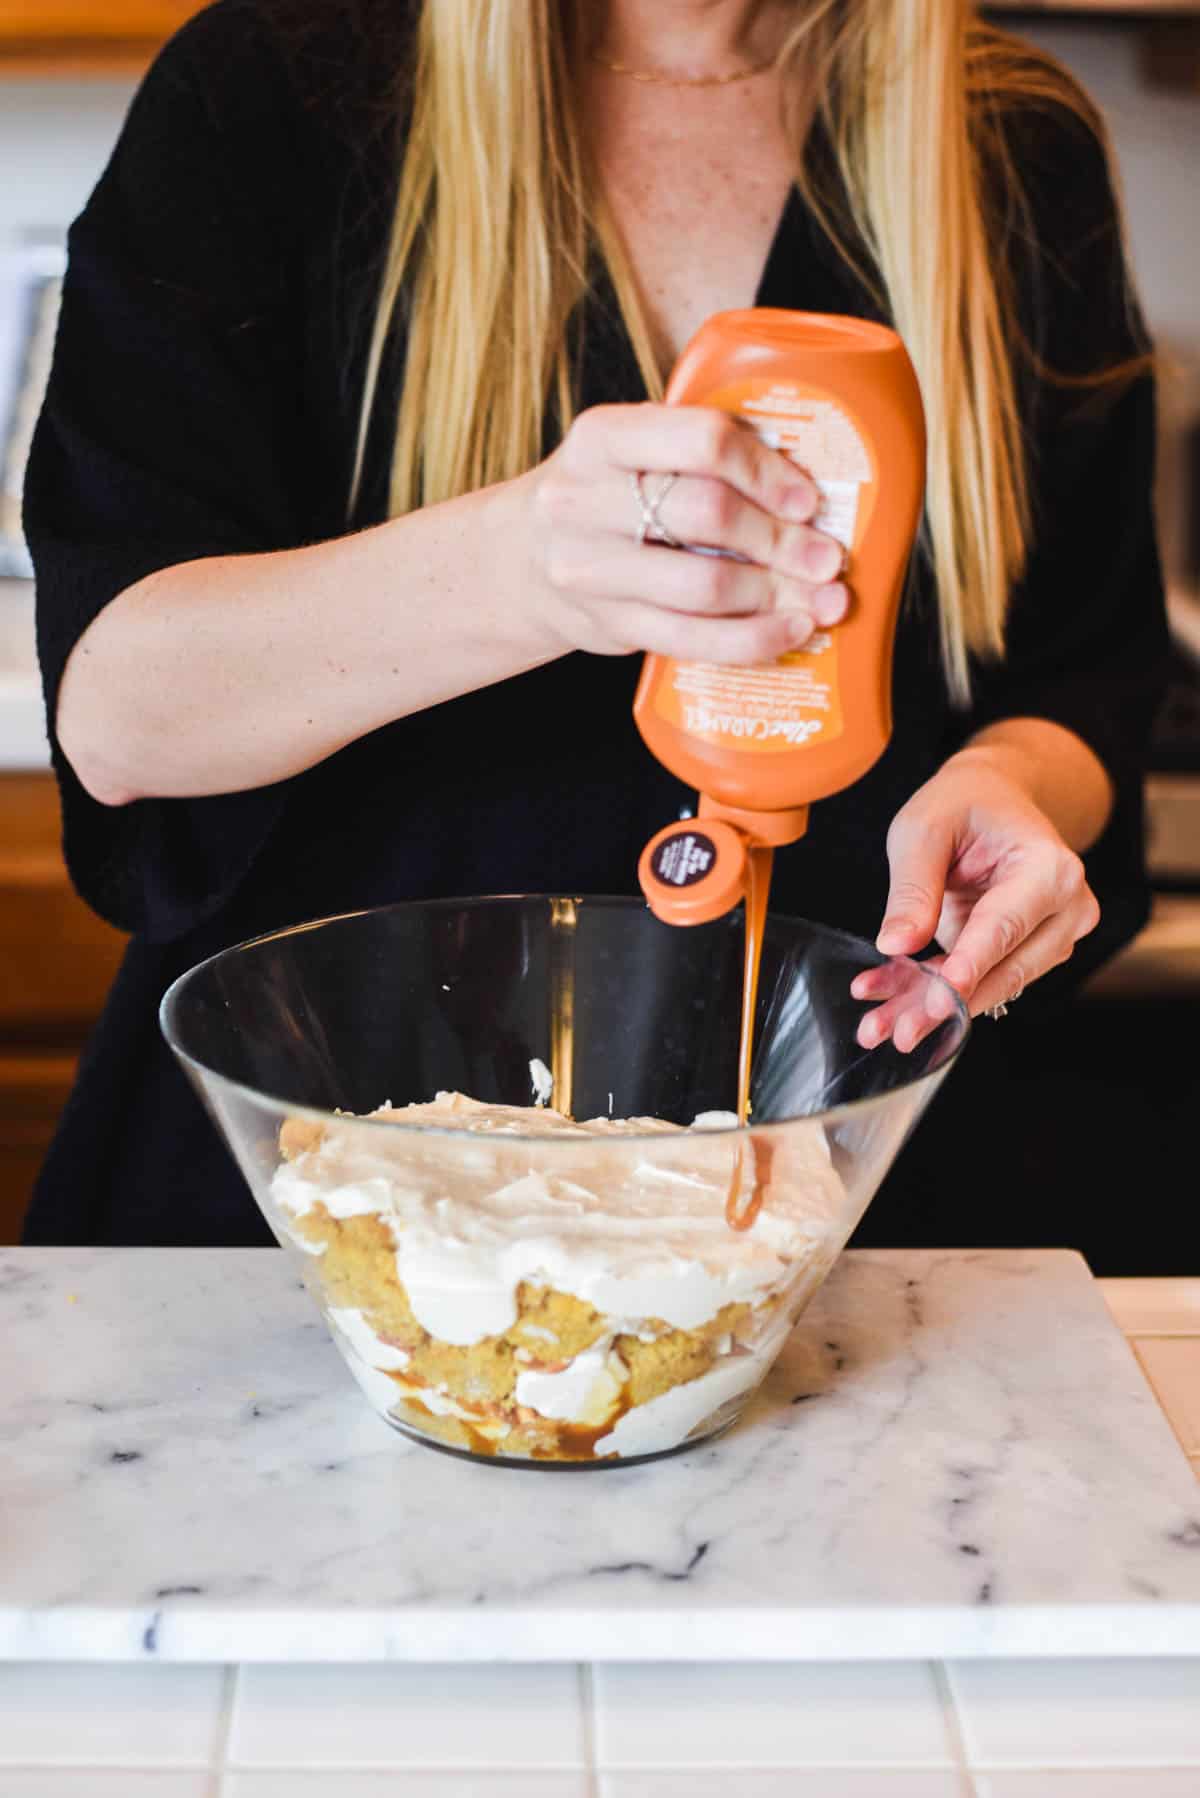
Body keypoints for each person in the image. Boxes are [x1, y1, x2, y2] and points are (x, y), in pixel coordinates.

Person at [23, 0, 1167, 1254]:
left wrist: (1016, 785)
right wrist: (523, 571)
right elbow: (125, 715)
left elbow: (1081, 682)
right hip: (319, 1213)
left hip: (835, 1217)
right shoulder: (273, 86)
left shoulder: (1010, 141)